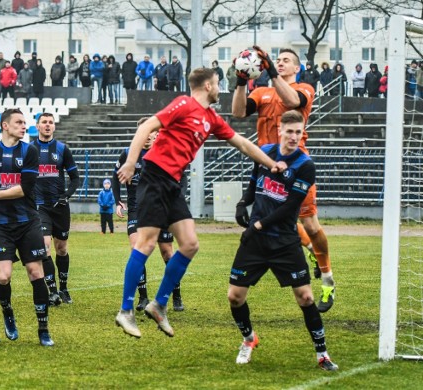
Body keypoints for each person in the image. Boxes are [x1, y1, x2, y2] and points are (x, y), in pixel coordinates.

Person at [114, 67, 287, 339]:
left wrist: (272, 164)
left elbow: (242, 143)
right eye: (218, 83)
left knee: (190, 244)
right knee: (146, 243)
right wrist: (131, 163)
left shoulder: (211, 117)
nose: (220, 88)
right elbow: (148, 126)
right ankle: (125, 311)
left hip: (171, 183)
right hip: (155, 177)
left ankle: (158, 304)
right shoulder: (184, 104)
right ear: (208, 86)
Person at [228, 110, 338, 371]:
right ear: (280, 130)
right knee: (235, 296)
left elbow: (290, 208)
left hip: (285, 241)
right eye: (289, 131)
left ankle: (322, 354)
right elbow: (255, 183)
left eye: (298, 132)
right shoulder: (265, 152)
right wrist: (243, 204)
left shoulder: (305, 165)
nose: (294, 137)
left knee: (306, 298)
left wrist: (257, 225)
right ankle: (249, 339)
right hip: (256, 241)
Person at [231, 46, 336, 313]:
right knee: (277, 221)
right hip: (267, 166)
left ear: (297, 68)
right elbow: (239, 112)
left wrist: (268, 72)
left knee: (310, 224)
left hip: (296, 166)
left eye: (285, 60)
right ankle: (310, 250)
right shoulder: (261, 92)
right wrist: (242, 81)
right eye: (277, 60)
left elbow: (291, 101)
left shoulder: (305, 88)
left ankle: (327, 278)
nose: (280, 62)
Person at [0, 108, 55, 347]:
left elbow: (24, 189)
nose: (24, 126)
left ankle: (43, 328)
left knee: (36, 273)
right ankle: (7, 311)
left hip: (28, 222)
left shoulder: (30, 151)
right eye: (18, 122)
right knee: (3, 277)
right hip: (1, 226)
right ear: (4, 125)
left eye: (25, 123)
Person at [112, 118, 185, 312]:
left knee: (167, 252)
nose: (147, 136)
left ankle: (176, 295)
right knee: (137, 249)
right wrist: (118, 201)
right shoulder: (129, 154)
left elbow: (181, 177)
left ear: (157, 133)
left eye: (151, 132)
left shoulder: (165, 153)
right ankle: (142, 297)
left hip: (161, 209)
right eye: (143, 132)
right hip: (137, 209)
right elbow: (115, 176)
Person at [32, 113, 80, 306]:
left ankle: (64, 288)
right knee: (44, 248)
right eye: (44, 122)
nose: (47, 125)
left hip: (60, 207)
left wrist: (66, 195)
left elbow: (75, 178)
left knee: (61, 248)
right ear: (37, 126)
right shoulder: (29, 150)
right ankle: (52, 291)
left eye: (51, 122)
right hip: (40, 206)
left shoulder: (62, 149)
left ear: (54, 127)